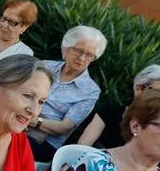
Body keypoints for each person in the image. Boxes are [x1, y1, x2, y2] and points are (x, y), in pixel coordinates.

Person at [26, 26, 107, 161]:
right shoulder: (44, 66)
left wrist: (30, 121)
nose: (82, 58)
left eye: (89, 55)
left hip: (44, 142)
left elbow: (64, 127)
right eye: (78, 50)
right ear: (66, 48)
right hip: (19, 121)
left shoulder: (90, 90)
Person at [74, 65, 160, 149]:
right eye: (159, 93)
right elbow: (83, 145)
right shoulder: (109, 111)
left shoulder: (159, 128)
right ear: (139, 89)